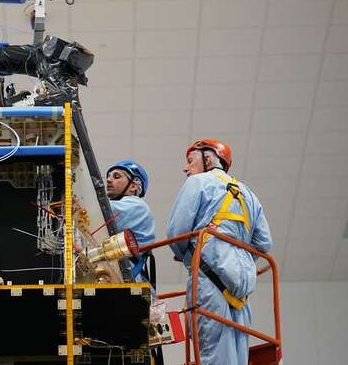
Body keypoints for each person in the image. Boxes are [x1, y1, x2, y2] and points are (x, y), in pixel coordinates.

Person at [166, 139, 272, 365]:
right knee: (237, 352)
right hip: (242, 290)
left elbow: (177, 232)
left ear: (208, 158)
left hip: (208, 276)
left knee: (213, 349)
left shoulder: (198, 182)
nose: (186, 168)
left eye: (190, 160)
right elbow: (264, 243)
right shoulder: (248, 194)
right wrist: (238, 254)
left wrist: (188, 254)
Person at [105, 160, 155, 284]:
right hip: (122, 275)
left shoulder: (136, 205)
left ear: (133, 186)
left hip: (128, 278)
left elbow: (100, 209)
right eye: (108, 176)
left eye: (116, 176)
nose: (109, 180)